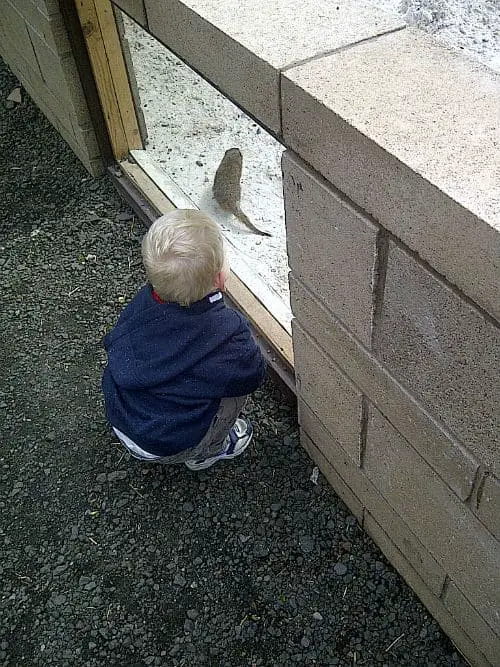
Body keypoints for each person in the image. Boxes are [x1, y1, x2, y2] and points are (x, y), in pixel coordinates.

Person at [102, 209, 266, 470]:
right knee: (234, 392)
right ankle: (207, 450)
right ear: (220, 279)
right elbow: (252, 374)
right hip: (165, 443)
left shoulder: (143, 303)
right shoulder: (226, 330)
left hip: (122, 417)